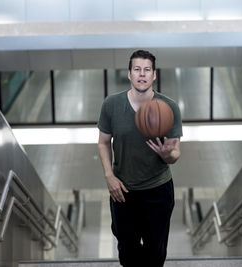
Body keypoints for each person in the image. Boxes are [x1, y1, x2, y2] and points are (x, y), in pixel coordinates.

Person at [97, 50, 182, 267]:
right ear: (129, 74)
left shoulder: (168, 108)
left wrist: (167, 154)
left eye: (147, 70)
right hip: (122, 192)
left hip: (158, 191)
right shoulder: (111, 105)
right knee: (127, 252)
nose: (141, 74)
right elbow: (103, 142)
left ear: (154, 75)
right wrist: (109, 175)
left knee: (155, 251)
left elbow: (175, 153)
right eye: (137, 69)